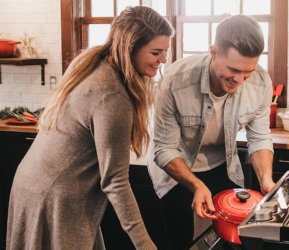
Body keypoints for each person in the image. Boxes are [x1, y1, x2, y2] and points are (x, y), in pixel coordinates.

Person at [7, 6, 173, 250]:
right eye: (156, 52)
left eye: (166, 51)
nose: (163, 60)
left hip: (35, 185)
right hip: (55, 197)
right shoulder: (112, 95)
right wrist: (145, 245)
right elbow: (115, 181)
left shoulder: (96, 64)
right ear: (130, 49)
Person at [148, 14, 275, 249]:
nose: (240, 79)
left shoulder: (260, 82)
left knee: (234, 237)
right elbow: (164, 148)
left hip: (223, 164)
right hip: (176, 167)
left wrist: (265, 179)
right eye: (233, 69)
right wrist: (197, 186)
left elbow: (259, 137)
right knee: (180, 238)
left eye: (247, 71)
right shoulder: (176, 80)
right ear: (214, 52)